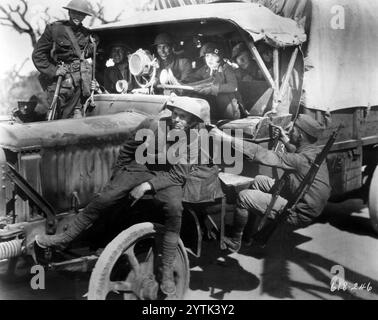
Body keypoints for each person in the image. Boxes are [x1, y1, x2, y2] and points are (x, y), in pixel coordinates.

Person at [34, 96, 222, 296]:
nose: (176, 119)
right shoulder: (153, 124)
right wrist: (119, 174)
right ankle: (65, 238)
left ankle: (166, 269)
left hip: (168, 176)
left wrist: (147, 186)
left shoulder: (194, 139)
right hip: (140, 167)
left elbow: (179, 174)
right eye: (175, 114)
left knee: (175, 210)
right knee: (105, 198)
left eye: (183, 117)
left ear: (192, 121)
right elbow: (129, 149)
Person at [210, 114, 331, 252]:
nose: (290, 132)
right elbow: (297, 151)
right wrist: (284, 139)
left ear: (301, 136)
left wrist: (226, 138)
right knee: (259, 180)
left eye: (293, 130)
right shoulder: (315, 152)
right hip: (305, 199)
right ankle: (248, 233)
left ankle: (235, 241)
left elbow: (262, 155)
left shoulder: (300, 160)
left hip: (300, 211)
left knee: (243, 196)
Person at [32, 0, 97, 119]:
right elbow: (38, 54)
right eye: (75, 12)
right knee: (52, 117)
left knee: (76, 119)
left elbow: (95, 56)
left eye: (82, 14)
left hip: (80, 84)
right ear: (69, 12)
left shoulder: (87, 34)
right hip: (59, 82)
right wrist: (54, 70)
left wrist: (93, 81)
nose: (78, 16)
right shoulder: (55, 29)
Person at [186, 42, 241, 120]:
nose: (210, 59)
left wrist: (213, 89)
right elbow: (192, 78)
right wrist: (181, 84)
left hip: (229, 109)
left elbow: (233, 86)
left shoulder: (226, 67)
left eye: (214, 56)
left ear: (220, 57)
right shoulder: (205, 69)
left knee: (221, 95)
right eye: (207, 56)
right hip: (213, 109)